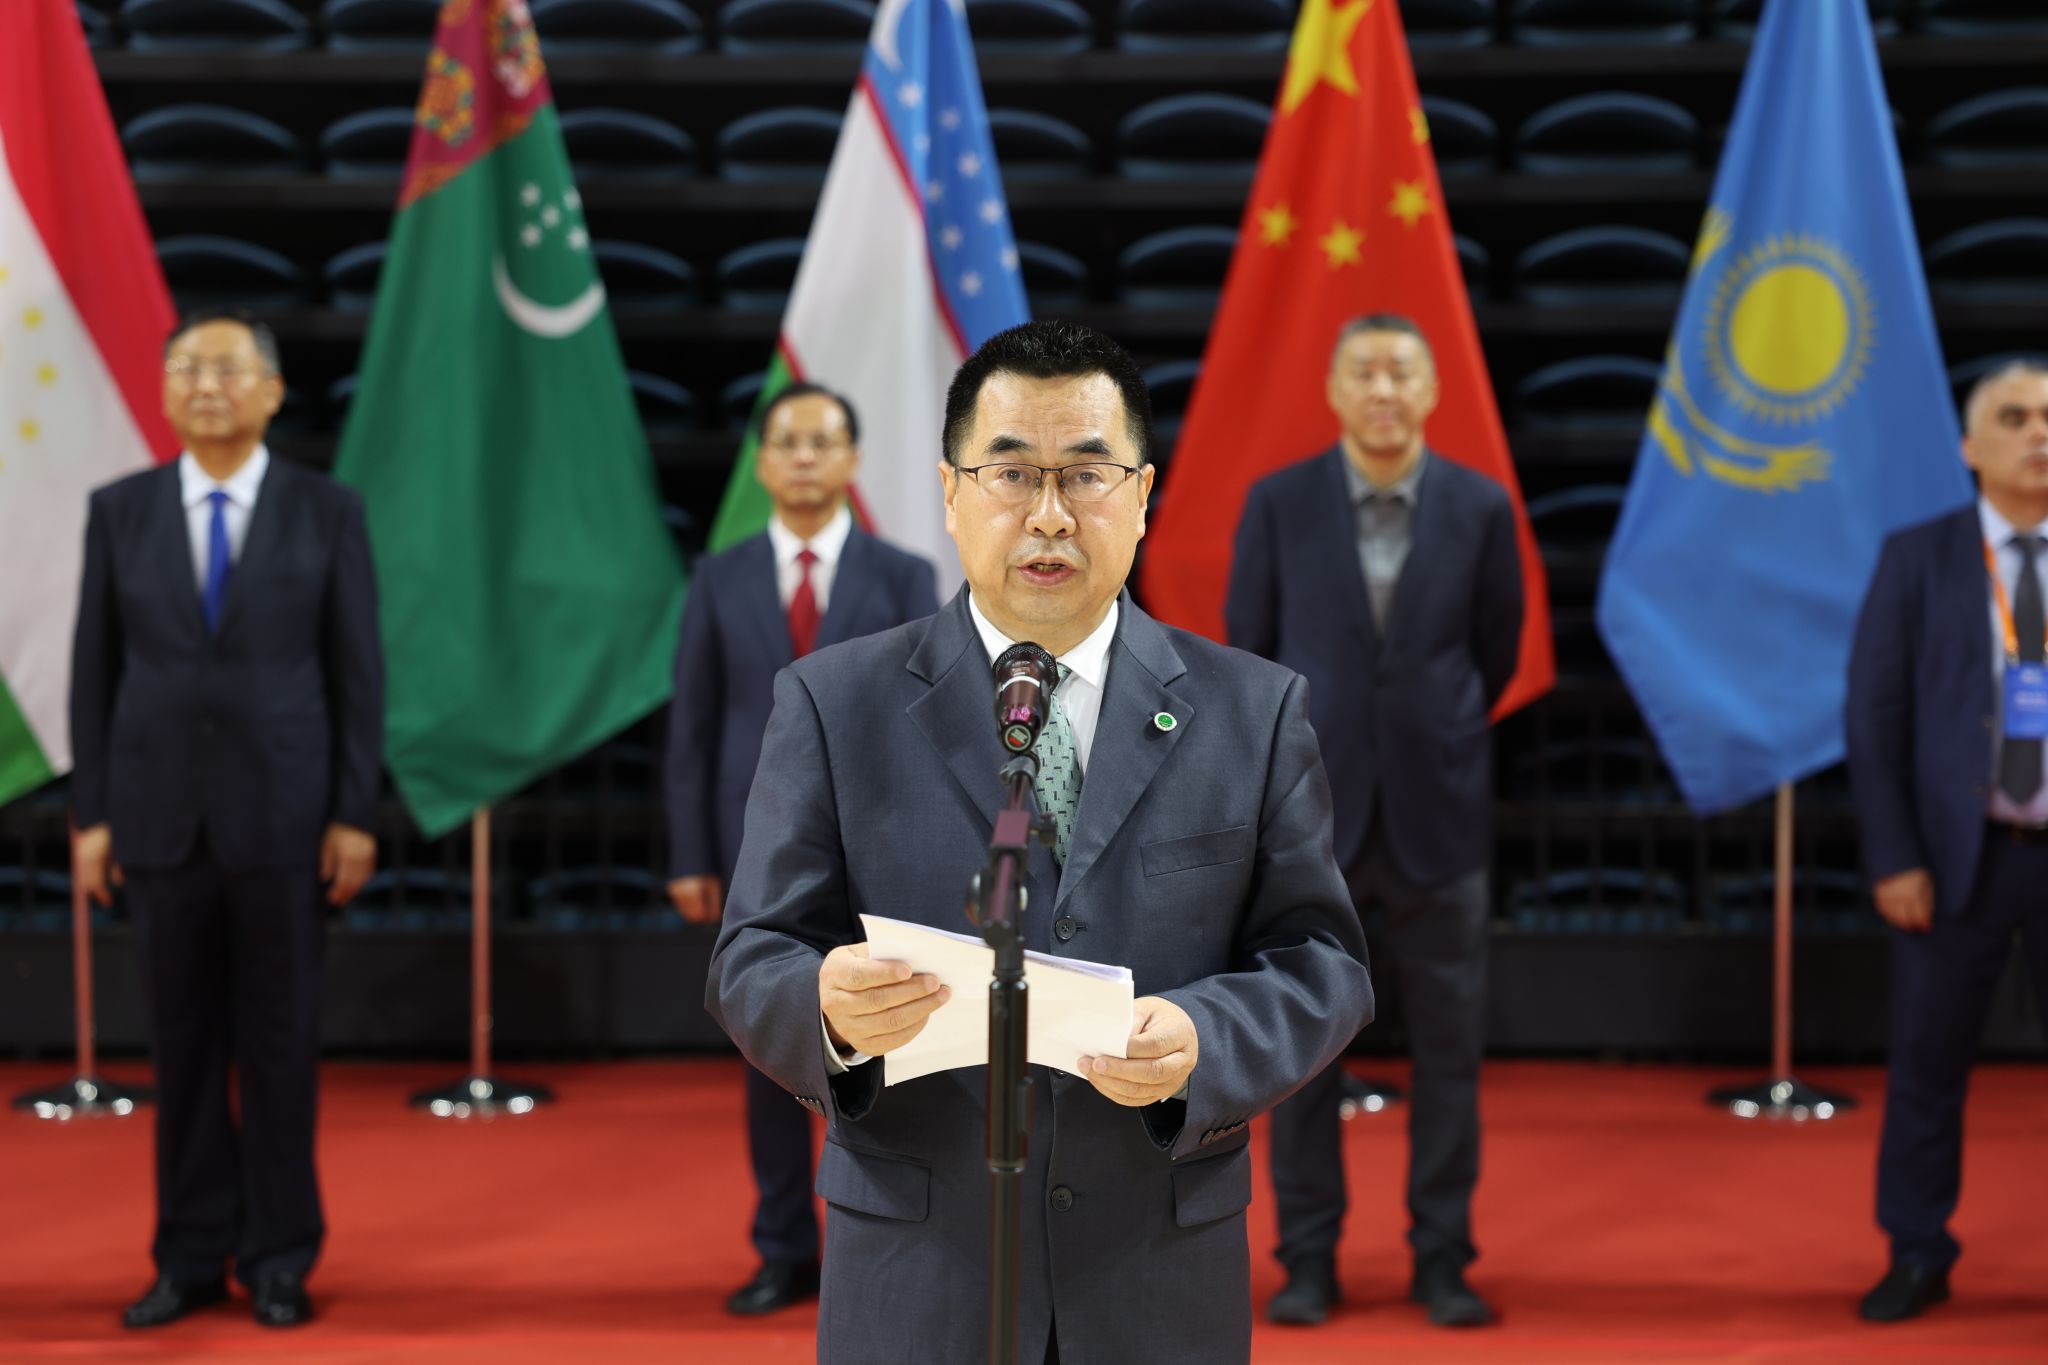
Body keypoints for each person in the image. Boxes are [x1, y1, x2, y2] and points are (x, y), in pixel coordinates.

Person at [705, 320, 1372, 1364]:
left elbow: (1322, 963)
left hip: (1155, 1273)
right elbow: (751, 957)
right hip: (921, 1273)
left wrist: (1205, 1039)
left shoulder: (1254, 711)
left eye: (1087, 475)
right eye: (1011, 474)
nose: (1049, 515)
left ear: (1142, 496)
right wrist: (826, 1010)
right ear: (949, 492)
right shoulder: (834, 703)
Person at [70, 311, 383, 1331]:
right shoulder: (119, 510)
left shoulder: (326, 510)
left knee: (280, 1049)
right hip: (157, 820)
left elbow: (357, 672)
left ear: (273, 390)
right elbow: (93, 670)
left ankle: (281, 1254)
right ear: (165, 390)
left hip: (286, 822)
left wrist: (353, 811)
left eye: (228, 368)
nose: (206, 385)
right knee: (182, 1050)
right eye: (187, 369)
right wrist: (92, 813)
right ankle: (189, 1255)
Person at [1225, 314, 1524, 1329]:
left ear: (1431, 389)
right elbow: (1251, 652)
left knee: (1450, 1054)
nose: (1383, 388)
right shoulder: (1279, 502)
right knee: (1306, 1056)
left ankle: (1442, 1256)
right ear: (1335, 389)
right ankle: (1308, 1257)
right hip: (1312, 821)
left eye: (1401, 371)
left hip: (1439, 815)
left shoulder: (1481, 506)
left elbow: (1494, 647)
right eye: (1365, 371)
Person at [664, 382, 937, 1314]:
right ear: (764, 461)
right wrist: (691, 852)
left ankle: (888, 1239)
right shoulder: (719, 575)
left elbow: (930, 716)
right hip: (757, 846)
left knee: (885, 1040)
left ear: (853, 458)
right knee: (777, 1042)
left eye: (824, 441)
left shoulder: (903, 574)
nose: (807, 456)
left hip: (881, 843)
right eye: (788, 441)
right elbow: (693, 726)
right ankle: (783, 1244)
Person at [1846, 359, 2048, 1323]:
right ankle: (1917, 1249)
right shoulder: (1918, 556)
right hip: (1958, 858)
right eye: (2015, 417)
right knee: (1927, 1069)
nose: (2039, 434)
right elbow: (1874, 715)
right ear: (1971, 446)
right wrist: (1895, 856)